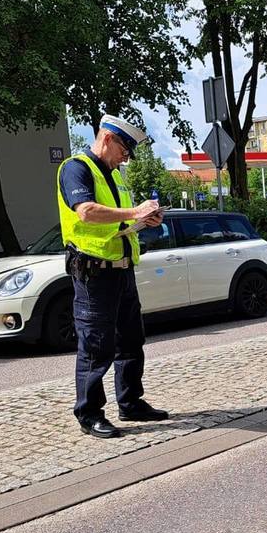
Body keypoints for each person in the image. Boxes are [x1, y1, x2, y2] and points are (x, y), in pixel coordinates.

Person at [57, 115, 169, 438]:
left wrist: (144, 220)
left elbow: (118, 223)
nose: (126, 158)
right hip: (94, 274)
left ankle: (130, 402)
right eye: (124, 150)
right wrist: (135, 212)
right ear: (107, 139)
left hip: (122, 270)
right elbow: (86, 212)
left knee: (131, 340)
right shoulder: (76, 168)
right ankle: (89, 413)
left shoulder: (115, 176)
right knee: (95, 346)